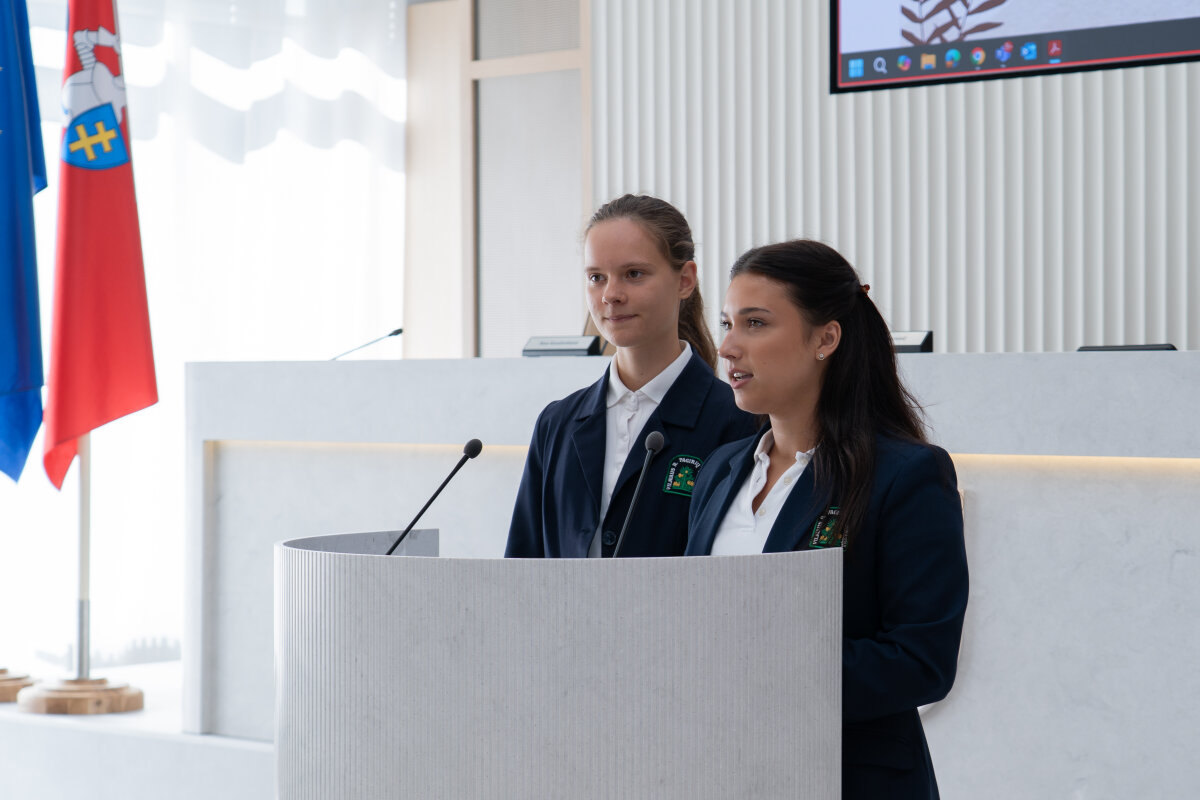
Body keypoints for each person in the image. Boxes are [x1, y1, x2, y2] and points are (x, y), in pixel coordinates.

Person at [685, 239, 968, 798]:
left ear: (825, 339)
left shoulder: (906, 474)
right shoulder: (720, 470)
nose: (729, 347)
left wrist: (762, 673)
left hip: (848, 777)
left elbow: (922, 660)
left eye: (756, 324)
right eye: (727, 324)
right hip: (722, 770)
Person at [505, 195, 755, 558]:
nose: (610, 295)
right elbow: (522, 568)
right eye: (596, 278)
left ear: (685, 280)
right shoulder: (556, 424)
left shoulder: (740, 419)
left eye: (634, 274)